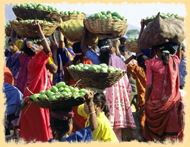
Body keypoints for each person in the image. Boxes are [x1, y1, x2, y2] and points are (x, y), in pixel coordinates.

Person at [81, 28, 136, 142]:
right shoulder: (120, 61)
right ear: (112, 47)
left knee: (102, 133)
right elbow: (128, 86)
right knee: (116, 136)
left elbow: (83, 48)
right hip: (118, 106)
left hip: (103, 102)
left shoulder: (97, 59)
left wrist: (84, 34)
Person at [11, 20, 57, 142]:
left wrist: (16, 24)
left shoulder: (27, 59)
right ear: (36, 51)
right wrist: (39, 31)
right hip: (38, 97)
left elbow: (13, 37)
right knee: (40, 123)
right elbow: (48, 52)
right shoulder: (38, 61)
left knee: (29, 125)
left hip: (28, 95)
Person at [141, 42, 185, 142]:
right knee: (169, 136)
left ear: (158, 50)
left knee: (153, 138)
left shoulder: (151, 63)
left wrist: (146, 101)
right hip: (172, 102)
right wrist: (179, 45)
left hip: (154, 103)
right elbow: (177, 55)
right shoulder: (175, 61)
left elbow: (149, 86)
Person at [63, 42, 92, 133]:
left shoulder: (69, 64)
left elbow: (66, 82)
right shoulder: (89, 63)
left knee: (75, 118)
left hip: (73, 94)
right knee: (85, 116)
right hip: (85, 94)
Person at [124, 54, 148, 129]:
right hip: (152, 99)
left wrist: (131, 58)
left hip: (143, 99)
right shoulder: (152, 69)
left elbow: (123, 65)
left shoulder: (138, 69)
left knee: (143, 123)